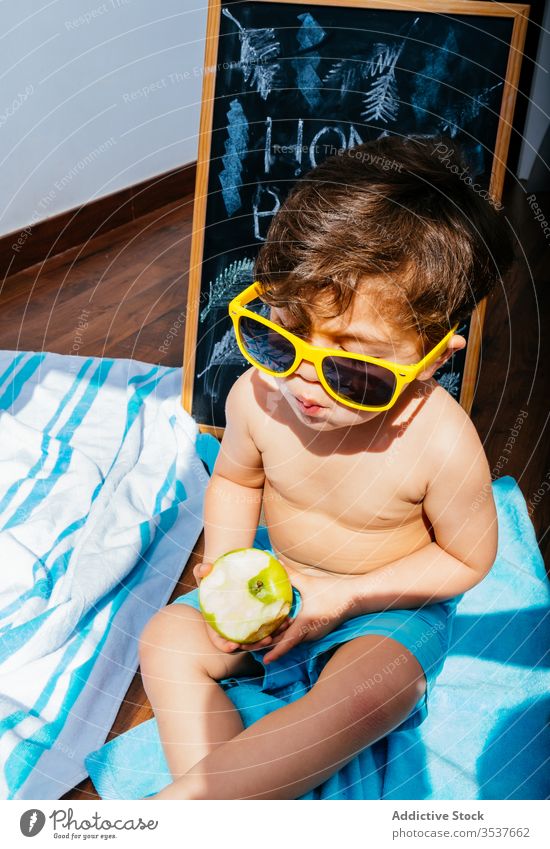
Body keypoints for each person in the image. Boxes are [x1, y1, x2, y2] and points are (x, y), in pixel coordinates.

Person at [138, 135, 515, 800]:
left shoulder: (439, 441)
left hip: (383, 610)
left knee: (375, 691)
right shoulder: (257, 396)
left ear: (431, 362)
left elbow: (467, 559)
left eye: (350, 368)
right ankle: (230, 797)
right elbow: (236, 478)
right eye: (278, 335)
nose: (305, 383)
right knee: (166, 640)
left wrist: (344, 597)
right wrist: (228, 564)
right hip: (277, 590)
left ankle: (194, 806)